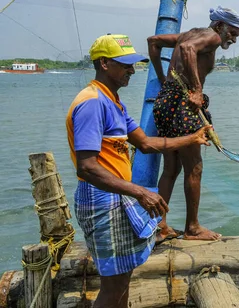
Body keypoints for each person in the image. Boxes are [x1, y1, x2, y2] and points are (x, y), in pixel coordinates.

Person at [66, 34, 211, 308]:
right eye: (125, 64)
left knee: (123, 278)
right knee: (113, 286)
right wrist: (140, 192)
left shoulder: (114, 102)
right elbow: (87, 167)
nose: (132, 70)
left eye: (133, 64)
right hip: (102, 199)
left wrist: (192, 139)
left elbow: (145, 143)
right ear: (104, 63)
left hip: (116, 196)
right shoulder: (92, 103)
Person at [148, 6, 239, 242]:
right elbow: (187, 49)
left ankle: (160, 226)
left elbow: (153, 41)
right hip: (181, 105)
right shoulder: (211, 37)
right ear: (219, 25)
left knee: (171, 168)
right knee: (194, 167)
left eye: (237, 35)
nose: (232, 38)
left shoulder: (188, 33)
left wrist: (162, 78)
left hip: (165, 102)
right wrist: (197, 90)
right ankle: (192, 227)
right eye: (232, 32)